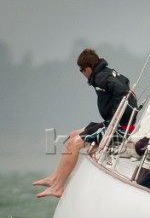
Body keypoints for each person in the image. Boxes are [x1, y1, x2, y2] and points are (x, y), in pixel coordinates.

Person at [33, 48, 138, 198]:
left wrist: (116, 115)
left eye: (81, 70)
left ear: (88, 69)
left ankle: (58, 187)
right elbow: (125, 82)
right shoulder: (107, 72)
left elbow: (123, 91)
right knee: (71, 136)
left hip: (118, 128)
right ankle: (54, 178)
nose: (82, 73)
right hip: (111, 123)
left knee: (75, 144)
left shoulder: (101, 77)